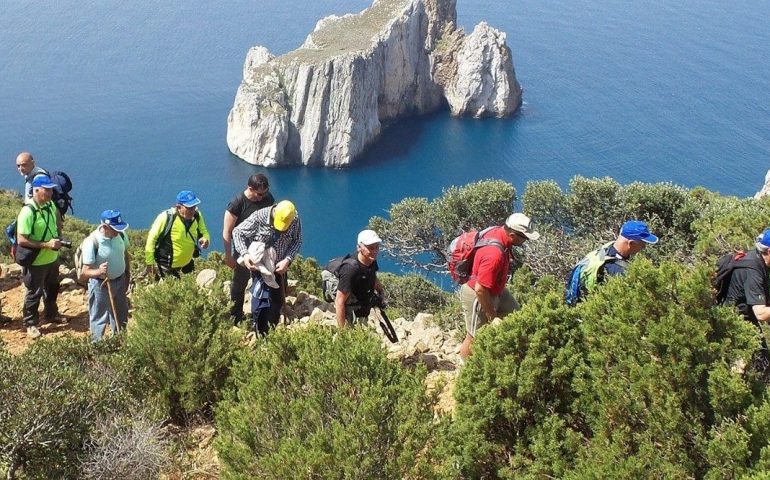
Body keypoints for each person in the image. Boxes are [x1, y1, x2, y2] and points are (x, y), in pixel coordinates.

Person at [459, 213, 540, 360]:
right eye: (524, 237)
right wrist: (492, 316)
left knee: (517, 315)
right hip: (477, 295)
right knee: (474, 336)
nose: (526, 241)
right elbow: (480, 289)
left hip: (496, 289)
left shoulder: (499, 231)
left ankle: (515, 353)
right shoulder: (494, 255)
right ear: (513, 235)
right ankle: (465, 370)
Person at [232, 200, 302, 335]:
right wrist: (245, 255)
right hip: (261, 266)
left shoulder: (294, 218)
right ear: (274, 211)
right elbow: (238, 232)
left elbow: (296, 240)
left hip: (280, 267)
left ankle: (273, 331)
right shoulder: (259, 217)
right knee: (261, 300)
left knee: (277, 300)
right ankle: (260, 331)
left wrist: (287, 260)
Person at [567, 219, 659, 305]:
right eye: (642, 244)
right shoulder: (616, 270)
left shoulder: (606, 249)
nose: (644, 248)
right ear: (631, 243)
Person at [16, 175, 64, 339]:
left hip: (52, 258)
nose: (50, 193)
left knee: (52, 288)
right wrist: (46, 244)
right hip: (36, 261)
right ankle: (30, 323)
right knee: (34, 292)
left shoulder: (50, 205)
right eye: (47, 190)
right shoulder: (27, 211)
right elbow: (22, 239)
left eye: (51, 189)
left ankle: (51, 314)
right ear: (36, 190)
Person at [223, 174, 275, 323]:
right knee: (240, 282)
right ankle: (236, 316)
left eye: (265, 193)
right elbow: (227, 231)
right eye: (259, 194)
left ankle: (262, 315)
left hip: (262, 247)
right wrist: (228, 256)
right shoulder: (237, 203)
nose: (262, 197)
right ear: (250, 189)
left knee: (264, 280)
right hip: (242, 249)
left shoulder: (267, 199)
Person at [721, 229, 770, 374]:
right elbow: (761, 313)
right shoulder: (753, 270)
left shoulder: (760, 262)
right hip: (734, 322)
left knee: (763, 363)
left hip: (745, 319)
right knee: (741, 370)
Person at [81, 210, 131, 342]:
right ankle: (97, 346)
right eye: (114, 229)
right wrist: (98, 271)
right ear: (105, 227)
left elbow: (125, 255)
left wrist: (127, 275)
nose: (117, 232)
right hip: (100, 285)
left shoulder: (121, 235)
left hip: (119, 281)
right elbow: (85, 272)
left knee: (121, 315)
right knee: (99, 317)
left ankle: (120, 343)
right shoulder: (91, 242)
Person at [145, 190, 210, 279]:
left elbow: (204, 231)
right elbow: (151, 239)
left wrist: (206, 239)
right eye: (189, 207)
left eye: (194, 206)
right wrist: (150, 263)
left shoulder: (197, 215)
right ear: (179, 207)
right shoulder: (166, 218)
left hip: (187, 265)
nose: (193, 210)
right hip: (166, 267)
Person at [331, 229, 385, 328]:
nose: (375, 251)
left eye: (377, 247)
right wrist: (342, 332)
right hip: (346, 293)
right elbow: (339, 302)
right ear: (359, 248)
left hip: (357, 291)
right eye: (370, 247)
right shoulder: (350, 269)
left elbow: (372, 276)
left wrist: (381, 292)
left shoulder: (371, 259)